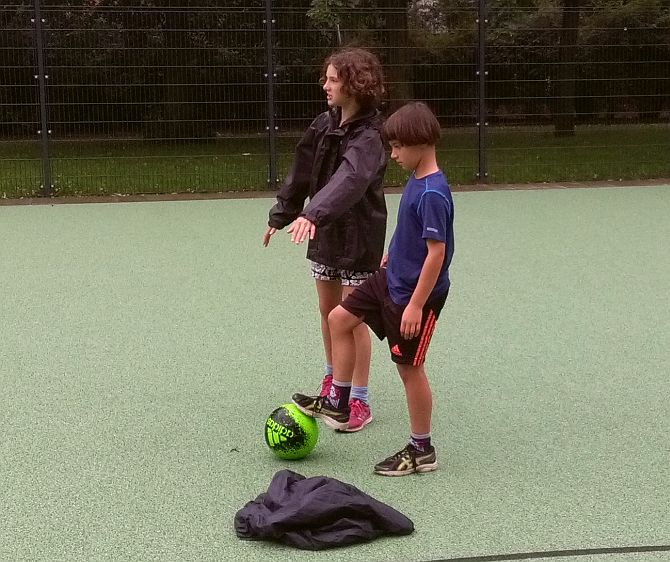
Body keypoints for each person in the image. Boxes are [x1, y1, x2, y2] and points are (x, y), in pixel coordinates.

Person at [292, 102, 454, 476]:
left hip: (414, 295)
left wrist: (416, 305)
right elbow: (410, 231)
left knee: (409, 369)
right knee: (339, 319)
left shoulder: (433, 193)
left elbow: (437, 254)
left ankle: (421, 449)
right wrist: (391, 255)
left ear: (421, 143)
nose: (392, 155)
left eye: (398, 147)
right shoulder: (417, 179)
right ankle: (338, 400)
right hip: (389, 277)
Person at [263, 47, 387, 432]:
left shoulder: (371, 135)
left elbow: (351, 178)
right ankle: (334, 386)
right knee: (327, 310)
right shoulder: (323, 123)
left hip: (359, 235)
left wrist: (312, 214)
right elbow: (301, 170)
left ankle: (358, 400)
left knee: (352, 318)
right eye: (326, 78)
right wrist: (283, 214)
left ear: (354, 85)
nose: (325, 85)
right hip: (325, 231)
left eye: (333, 79)